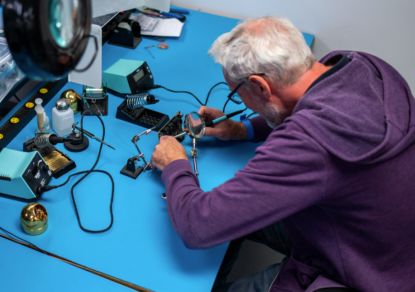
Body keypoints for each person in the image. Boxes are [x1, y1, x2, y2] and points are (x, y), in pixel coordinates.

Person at [151, 16, 415, 292]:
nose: (239, 101)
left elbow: (198, 226)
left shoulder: (311, 145)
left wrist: (175, 164)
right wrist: (243, 129)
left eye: (236, 94)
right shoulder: (361, 67)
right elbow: (308, 106)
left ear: (261, 86)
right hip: (394, 248)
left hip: (366, 274)